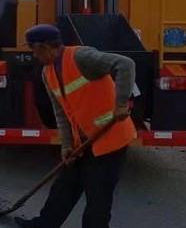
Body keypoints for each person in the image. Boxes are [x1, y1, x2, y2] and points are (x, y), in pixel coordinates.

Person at [15, 24, 137, 228]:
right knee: (64, 188)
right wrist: (67, 145)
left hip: (109, 141)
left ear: (45, 47)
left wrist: (121, 102)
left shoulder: (81, 57)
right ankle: (44, 225)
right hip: (84, 141)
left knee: (97, 199)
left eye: (34, 50)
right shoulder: (48, 72)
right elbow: (61, 112)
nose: (34, 56)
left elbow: (125, 64)